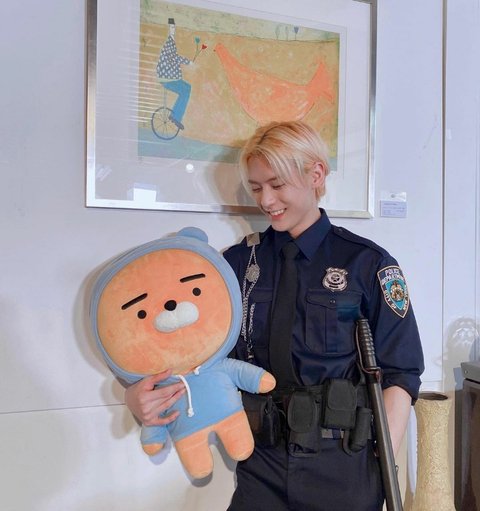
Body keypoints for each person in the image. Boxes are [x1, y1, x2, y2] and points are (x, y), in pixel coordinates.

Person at [125, 120, 424, 510]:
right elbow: (192, 355)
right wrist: (137, 395)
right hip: (261, 463)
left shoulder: (366, 264)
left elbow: (401, 371)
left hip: (343, 466)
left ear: (316, 175)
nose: (266, 200)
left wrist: (380, 459)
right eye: (256, 187)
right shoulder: (235, 265)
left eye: (277, 185)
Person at [156, 18, 192, 130]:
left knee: (187, 88)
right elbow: (175, 57)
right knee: (185, 91)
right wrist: (189, 62)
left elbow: (171, 35)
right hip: (168, 79)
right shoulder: (169, 46)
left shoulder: (169, 44)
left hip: (170, 78)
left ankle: (175, 115)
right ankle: (176, 117)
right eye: (172, 27)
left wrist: (172, 26)